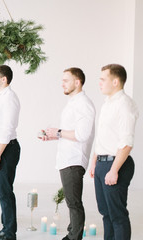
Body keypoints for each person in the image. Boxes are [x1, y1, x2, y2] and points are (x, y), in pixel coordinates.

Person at [40, 68, 95, 240]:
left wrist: (58, 132)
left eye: (66, 80)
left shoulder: (83, 104)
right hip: (67, 158)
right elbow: (70, 133)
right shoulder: (73, 102)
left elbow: (82, 135)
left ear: (77, 82)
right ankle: (72, 232)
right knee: (72, 201)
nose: (62, 83)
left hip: (74, 160)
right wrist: (54, 136)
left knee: (74, 203)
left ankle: (74, 237)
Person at [89, 64, 139, 240]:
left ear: (116, 81)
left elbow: (126, 143)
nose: (99, 83)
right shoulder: (107, 103)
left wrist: (114, 170)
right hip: (103, 163)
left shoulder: (125, 105)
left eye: (103, 79)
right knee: (106, 213)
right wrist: (94, 162)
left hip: (116, 164)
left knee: (117, 215)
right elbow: (102, 137)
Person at [0, 65, 20, 240]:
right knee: (2, 192)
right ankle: (6, 229)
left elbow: (7, 130)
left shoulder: (9, 98)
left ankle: (9, 232)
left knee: (5, 192)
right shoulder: (0, 97)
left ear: (4, 79)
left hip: (7, 149)